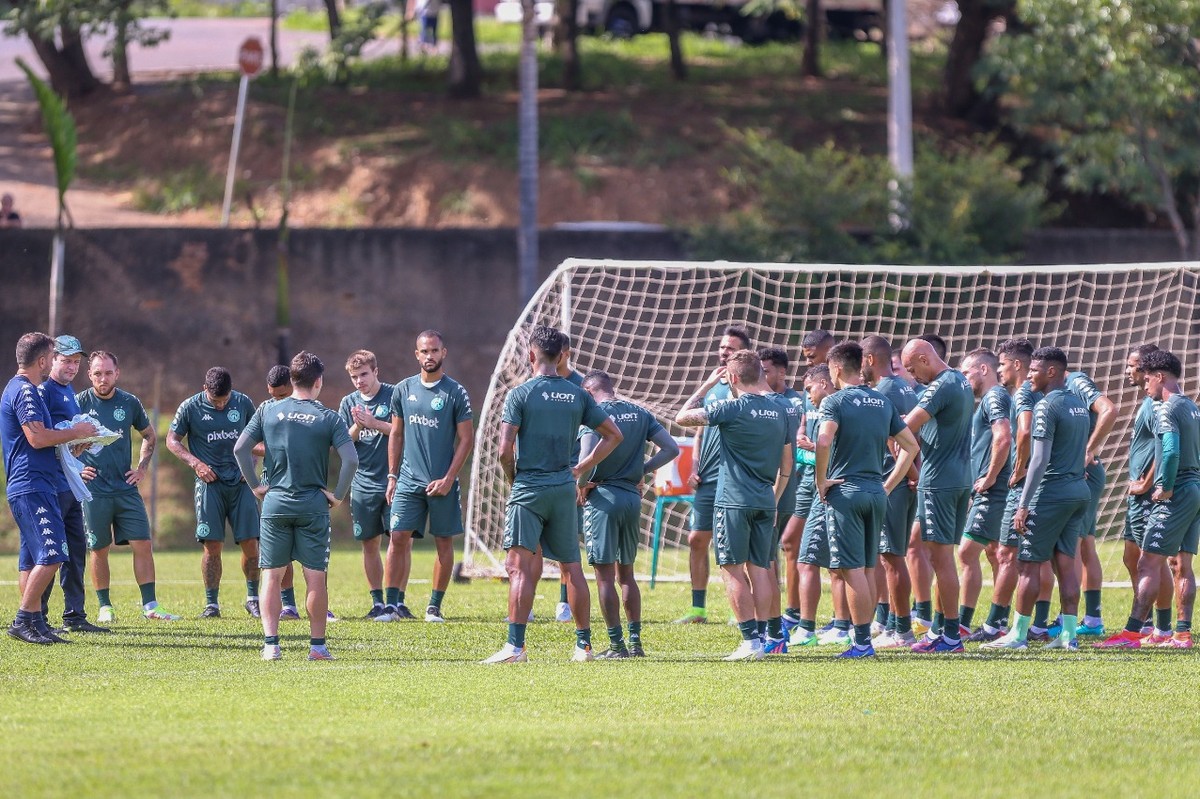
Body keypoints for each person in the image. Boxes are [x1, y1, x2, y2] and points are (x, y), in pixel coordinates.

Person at [482, 326, 622, 664]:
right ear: (563, 356)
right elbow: (613, 435)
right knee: (572, 567)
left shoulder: (520, 394)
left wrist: (514, 478)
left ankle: (515, 647)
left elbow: (504, 450)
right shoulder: (579, 394)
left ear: (531, 355)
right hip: (563, 488)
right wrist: (581, 468)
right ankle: (583, 647)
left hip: (529, 488)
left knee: (518, 567)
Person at [234, 351, 358, 661]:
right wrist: (339, 494)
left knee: (271, 576)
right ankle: (316, 647)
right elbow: (351, 460)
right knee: (314, 577)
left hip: (275, 502)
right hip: (313, 505)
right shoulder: (329, 417)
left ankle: (271, 645)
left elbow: (240, 448)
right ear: (318, 382)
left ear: (291, 381)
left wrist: (255, 485)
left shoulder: (267, 411)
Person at [675, 350, 792, 661]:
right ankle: (766, 638)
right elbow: (787, 464)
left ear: (733, 378)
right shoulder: (779, 411)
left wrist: (704, 387)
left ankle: (749, 642)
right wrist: (776, 497)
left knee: (731, 570)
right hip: (766, 499)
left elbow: (682, 417)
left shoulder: (732, 407)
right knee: (761, 568)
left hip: (734, 501)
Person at [814, 342, 920, 658]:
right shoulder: (881, 401)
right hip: (877, 493)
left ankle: (861, 643)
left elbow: (823, 440)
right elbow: (911, 447)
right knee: (869, 566)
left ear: (835, 369)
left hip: (846, 493)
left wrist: (822, 481)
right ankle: (866, 640)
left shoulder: (834, 401)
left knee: (852, 569)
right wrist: (888, 485)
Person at [983, 347, 1091, 651]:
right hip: (1077, 493)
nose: (1030, 375)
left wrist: (1024, 504)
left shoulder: (1046, 406)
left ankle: (1017, 635)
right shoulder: (1079, 405)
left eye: (1035, 371)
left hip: (1051, 494)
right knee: (1066, 565)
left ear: (1051, 372)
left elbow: (1039, 460)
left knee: (1029, 565)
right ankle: (1068, 637)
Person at [1099, 349, 1198, 649]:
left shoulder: (1167, 409)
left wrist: (1165, 486)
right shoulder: (1192, 407)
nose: (1144, 385)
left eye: (1147, 381)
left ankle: (1131, 634)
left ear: (1160, 377)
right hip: (1193, 487)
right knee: (1183, 563)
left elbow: (1169, 450)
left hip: (1177, 490)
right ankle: (1181, 633)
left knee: (1148, 563)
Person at [3, 333, 98, 643]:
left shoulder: (24, 389)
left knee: (38, 557)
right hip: (32, 484)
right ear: (43, 360)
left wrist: (73, 443)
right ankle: (23, 620)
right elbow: (37, 438)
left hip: (36, 483)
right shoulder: (27, 391)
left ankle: (36, 623)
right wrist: (76, 431)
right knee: (53, 554)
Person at [578, 370, 680, 657]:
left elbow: (586, 459)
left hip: (603, 499)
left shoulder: (594, 416)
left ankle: (615, 645)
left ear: (588, 392)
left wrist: (581, 486)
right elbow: (671, 449)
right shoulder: (639, 412)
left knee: (604, 577)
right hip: (631, 499)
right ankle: (635, 644)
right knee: (627, 575)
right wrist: (641, 471)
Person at [78, 350, 180, 622]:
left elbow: (148, 435)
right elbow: (61, 442)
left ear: (117, 373)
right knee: (99, 548)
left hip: (125, 488)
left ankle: (150, 606)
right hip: (94, 491)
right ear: (89, 375)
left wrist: (142, 468)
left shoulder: (130, 402)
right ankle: (105, 607)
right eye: (97, 373)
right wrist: (77, 469)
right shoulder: (77, 403)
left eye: (108, 373)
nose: (103, 378)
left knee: (143, 543)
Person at [383, 331, 474, 623]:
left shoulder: (456, 392)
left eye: (434, 350)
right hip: (408, 480)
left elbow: (466, 439)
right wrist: (392, 476)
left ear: (444, 353)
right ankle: (392, 605)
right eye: (424, 351)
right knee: (397, 537)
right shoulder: (403, 389)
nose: (429, 356)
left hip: (442, 483)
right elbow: (396, 434)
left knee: (444, 543)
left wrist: (449, 478)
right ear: (416, 354)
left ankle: (434, 606)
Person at [166, 367, 260, 618]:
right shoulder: (190, 407)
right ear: (204, 389)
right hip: (210, 485)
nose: (221, 406)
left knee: (251, 542)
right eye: (216, 401)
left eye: (225, 400)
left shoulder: (243, 403)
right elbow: (172, 440)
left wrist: (251, 464)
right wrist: (195, 463)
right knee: (212, 545)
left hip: (241, 484)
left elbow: (259, 438)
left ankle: (253, 599)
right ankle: (212, 604)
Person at [674, 325, 751, 624]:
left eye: (730, 348)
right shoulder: (713, 384)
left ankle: (743, 606)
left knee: (735, 545)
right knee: (696, 539)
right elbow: (698, 427)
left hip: (733, 477)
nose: (723, 352)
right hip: (706, 477)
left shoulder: (745, 386)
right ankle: (697, 609)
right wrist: (694, 465)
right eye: (721, 347)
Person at [902, 337, 974, 652]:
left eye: (911, 368)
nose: (911, 375)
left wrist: (894, 435)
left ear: (924, 358)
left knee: (941, 558)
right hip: (958, 478)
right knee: (928, 549)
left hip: (940, 481)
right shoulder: (961, 381)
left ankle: (949, 635)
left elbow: (908, 424)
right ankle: (940, 631)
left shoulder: (942, 385)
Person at [33, 334, 108, 633]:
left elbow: (66, 436)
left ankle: (75, 616)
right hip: (50, 484)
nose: (72, 367)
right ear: (51, 359)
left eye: (77, 362)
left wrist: (84, 442)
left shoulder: (68, 391)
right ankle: (39, 617)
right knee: (52, 551)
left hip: (69, 483)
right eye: (66, 361)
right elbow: (43, 436)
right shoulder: (43, 392)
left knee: (76, 551)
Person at [969, 338, 1040, 643]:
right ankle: (1042, 626)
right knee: (1031, 557)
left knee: (1005, 554)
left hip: (1022, 486)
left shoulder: (1022, 394)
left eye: (1002, 364)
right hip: (1042, 484)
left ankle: (994, 624)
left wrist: (1018, 468)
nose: (999, 370)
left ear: (1016, 364)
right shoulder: (1042, 394)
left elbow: (1016, 434)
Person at [861, 335, 919, 649]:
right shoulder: (904, 388)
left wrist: (911, 475)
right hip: (904, 481)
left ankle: (902, 631)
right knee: (894, 556)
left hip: (893, 482)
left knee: (892, 558)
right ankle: (895, 626)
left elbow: (895, 442)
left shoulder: (882, 392)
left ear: (870, 360)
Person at [957, 348, 1012, 637]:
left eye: (967, 372)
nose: (964, 379)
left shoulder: (995, 397)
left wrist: (989, 478)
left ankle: (963, 624)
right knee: (996, 553)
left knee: (967, 553)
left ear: (982, 370)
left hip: (996, 489)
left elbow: (1004, 438)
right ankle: (998, 621)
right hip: (990, 488)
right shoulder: (989, 400)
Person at [336, 350, 395, 619]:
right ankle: (377, 602)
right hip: (363, 484)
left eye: (364, 375)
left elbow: (402, 431)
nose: (359, 381)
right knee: (369, 543)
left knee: (398, 539)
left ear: (376, 372)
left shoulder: (394, 395)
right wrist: (358, 427)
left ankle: (396, 601)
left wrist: (374, 423)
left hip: (394, 480)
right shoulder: (348, 402)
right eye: (354, 377)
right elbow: (342, 443)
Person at [1121, 344, 1174, 640]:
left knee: (1153, 560)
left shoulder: (1156, 405)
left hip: (1146, 495)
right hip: (1135, 496)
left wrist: (1146, 482)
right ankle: (1146, 618)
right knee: (1131, 557)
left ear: (1147, 369)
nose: (1128, 371)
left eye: (1132, 365)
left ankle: (1162, 626)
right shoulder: (1146, 402)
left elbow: (1164, 446)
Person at [1062, 366, 1118, 636]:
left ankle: (1068, 618)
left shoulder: (1075, 381)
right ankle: (1092, 619)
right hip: (1080, 472)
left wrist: (1088, 449)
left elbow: (1108, 409)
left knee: (1074, 544)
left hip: (1085, 471)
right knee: (1084, 545)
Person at [758, 346, 802, 652]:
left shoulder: (795, 403)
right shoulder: (765, 403)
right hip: (773, 486)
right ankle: (777, 619)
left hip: (788, 487)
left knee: (779, 552)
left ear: (782, 372)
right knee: (772, 553)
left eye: (767, 370)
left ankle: (781, 622)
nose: (762, 375)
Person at [789, 365, 836, 647]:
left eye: (809, 389)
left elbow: (830, 448)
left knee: (809, 561)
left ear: (824, 382)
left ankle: (806, 629)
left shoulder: (835, 405)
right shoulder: (862, 401)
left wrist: (810, 450)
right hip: (863, 489)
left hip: (830, 488)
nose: (808, 396)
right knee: (846, 564)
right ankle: (846, 627)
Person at [263, 365, 303, 620]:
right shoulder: (266, 410)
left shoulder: (308, 410)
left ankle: (321, 603)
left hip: (305, 486)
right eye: (273, 395)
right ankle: (288, 604)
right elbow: (247, 444)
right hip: (276, 487)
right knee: (281, 551)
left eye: (281, 395)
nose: (276, 400)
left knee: (314, 552)